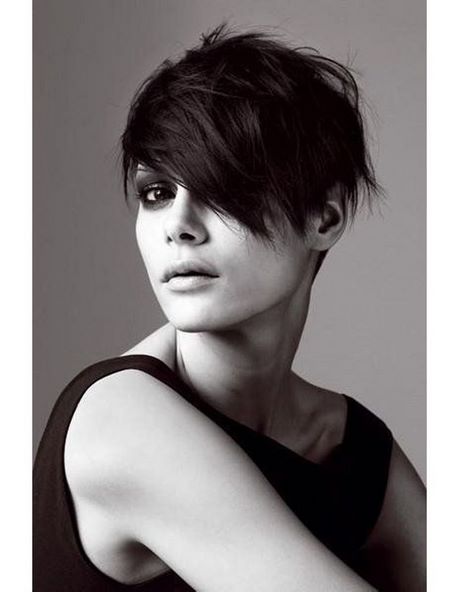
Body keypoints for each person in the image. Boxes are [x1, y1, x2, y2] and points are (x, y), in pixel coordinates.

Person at [33, 25, 426, 591]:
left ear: (325, 218)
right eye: (157, 193)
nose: (178, 227)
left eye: (225, 187)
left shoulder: (351, 448)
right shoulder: (120, 421)